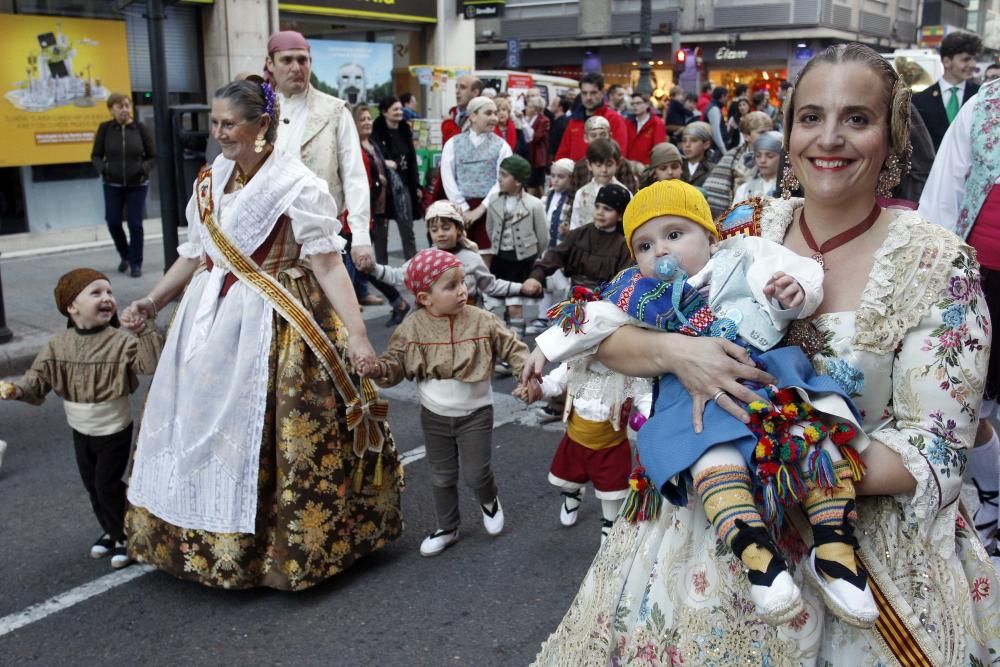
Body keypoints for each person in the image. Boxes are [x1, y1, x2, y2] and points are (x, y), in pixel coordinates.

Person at [530, 43, 999, 664]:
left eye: (856, 119)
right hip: (707, 541)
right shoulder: (746, 222)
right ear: (788, 129)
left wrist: (782, 459)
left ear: (891, 137)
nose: (828, 139)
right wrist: (679, 353)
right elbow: (616, 330)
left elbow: (936, 447)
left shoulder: (935, 262)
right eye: (811, 117)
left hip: (864, 549)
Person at [526, 179, 875, 625]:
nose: (662, 253)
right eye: (646, 246)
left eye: (675, 235)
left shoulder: (742, 254)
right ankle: (759, 561)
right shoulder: (638, 293)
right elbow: (591, 319)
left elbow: (794, 271)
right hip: (690, 395)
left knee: (814, 441)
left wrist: (795, 291)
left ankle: (835, 552)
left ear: (710, 236)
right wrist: (545, 348)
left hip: (764, 373)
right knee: (711, 458)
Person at [122, 78, 402, 590]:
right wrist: (153, 301)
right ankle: (196, 539)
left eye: (230, 124)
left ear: (262, 126)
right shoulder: (210, 181)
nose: (219, 133)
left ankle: (278, 554)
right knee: (193, 422)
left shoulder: (296, 184)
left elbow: (327, 263)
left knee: (281, 433)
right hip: (207, 318)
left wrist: (359, 337)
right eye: (215, 123)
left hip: (277, 318)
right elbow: (194, 254)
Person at [367, 248, 530, 557]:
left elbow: (514, 348)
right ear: (425, 298)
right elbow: (394, 364)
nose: (462, 291)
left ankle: (489, 500)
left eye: (463, 282)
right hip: (435, 416)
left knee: (476, 473)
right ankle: (448, 527)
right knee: (441, 476)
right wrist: (377, 368)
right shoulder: (412, 328)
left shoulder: (483, 320)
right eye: (451, 286)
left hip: (476, 413)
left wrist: (526, 375)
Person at [0, 269, 161, 570]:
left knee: (106, 484)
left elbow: (149, 363)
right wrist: (16, 390)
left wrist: (144, 331)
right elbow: (37, 379)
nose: (107, 298)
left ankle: (124, 535)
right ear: (71, 306)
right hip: (80, 428)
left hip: (114, 427)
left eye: (109, 292)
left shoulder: (120, 342)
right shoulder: (58, 346)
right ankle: (111, 531)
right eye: (96, 292)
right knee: (92, 486)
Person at [919, 79, 1000, 559]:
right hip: (982, 277)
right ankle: (991, 497)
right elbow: (945, 194)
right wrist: (930, 271)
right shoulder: (986, 106)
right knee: (966, 403)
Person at [264, 31, 375, 275]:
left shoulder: (334, 111)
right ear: (270, 64)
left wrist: (360, 236)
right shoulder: (259, 111)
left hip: (322, 239)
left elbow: (354, 176)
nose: (296, 67)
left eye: (302, 60)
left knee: (326, 312)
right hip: (268, 237)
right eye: (287, 60)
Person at [516, 355, 651, 543]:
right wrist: (536, 389)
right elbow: (554, 382)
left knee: (612, 494)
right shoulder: (576, 362)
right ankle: (573, 493)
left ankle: (609, 526)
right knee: (566, 479)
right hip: (576, 439)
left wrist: (651, 417)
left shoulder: (630, 371)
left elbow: (645, 396)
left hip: (611, 446)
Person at [367, 200, 536, 307]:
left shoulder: (472, 258)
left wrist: (521, 287)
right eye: (434, 229)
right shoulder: (424, 258)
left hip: (468, 322)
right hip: (433, 324)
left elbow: (490, 285)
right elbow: (397, 276)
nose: (440, 233)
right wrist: (372, 268)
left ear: (459, 229)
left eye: (446, 228)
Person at [352, 104, 412, 326]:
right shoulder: (354, 146)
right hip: (361, 213)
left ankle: (395, 302)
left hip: (372, 213)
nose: (367, 122)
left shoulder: (371, 145)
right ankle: (395, 301)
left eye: (369, 119)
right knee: (360, 264)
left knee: (360, 264)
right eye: (362, 119)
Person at [522, 182, 632, 296]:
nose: (600, 212)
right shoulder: (579, 234)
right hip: (574, 300)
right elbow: (554, 256)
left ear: (620, 216)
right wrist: (535, 277)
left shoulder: (623, 245)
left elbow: (626, 280)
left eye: (607, 209)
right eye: (597, 206)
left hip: (605, 304)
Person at [91, 93, 156, 278]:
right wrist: (105, 170)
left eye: (127, 106)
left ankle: (136, 263)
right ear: (111, 110)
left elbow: (153, 156)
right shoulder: (105, 129)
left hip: (137, 184)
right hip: (112, 184)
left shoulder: (140, 129)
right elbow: (95, 155)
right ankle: (125, 255)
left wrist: (143, 169)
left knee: (135, 224)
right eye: (120, 107)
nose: (124, 110)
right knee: (113, 222)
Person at [440, 96, 513, 258]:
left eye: (495, 113)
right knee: (459, 260)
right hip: (459, 210)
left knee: (484, 259)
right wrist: (463, 208)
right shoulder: (453, 143)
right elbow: (448, 177)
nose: (494, 118)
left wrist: (480, 209)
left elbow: (502, 181)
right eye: (488, 113)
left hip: (490, 209)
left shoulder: (502, 146)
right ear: (473, 116)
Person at [486, 155, 549, 333]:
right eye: (499, 173)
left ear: (519, 181)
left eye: (504, 175)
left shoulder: (534, 205)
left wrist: (533, 255)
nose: (499, 178)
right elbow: (490, 228)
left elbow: (543, 237)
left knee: (515, 305)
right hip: (501, 260)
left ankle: (517, 343)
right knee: (506, 304)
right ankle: (510, 337)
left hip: (521, 262)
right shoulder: (494, 201)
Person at [912, 30, 983, 150]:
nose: (973, 64)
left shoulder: (981, 96)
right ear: (946, 61)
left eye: (974, 59)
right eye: (966, 59)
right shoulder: (920, 100)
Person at [371, 96, 421, 260]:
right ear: (385, 112)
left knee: (407, 229)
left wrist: (417, 185)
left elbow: (412, 159)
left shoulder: (405, 130)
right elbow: (373, 156)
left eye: (401, 109)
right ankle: (382, 271)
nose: (400, 112)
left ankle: (413, 269)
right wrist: (385, 163)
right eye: (396, 110)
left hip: (403, 185)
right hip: (383, 188)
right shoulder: (375, 130)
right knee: (381, 234)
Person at [703, 110, 774, 217]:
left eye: (770, 132)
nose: (768, 136)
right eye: (762, 133)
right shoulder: (733, 157)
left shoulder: (779, 155)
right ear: (746, 136)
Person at [555, 72, 630, 161]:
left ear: (602, 93)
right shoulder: (574, 120)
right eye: (584, 93)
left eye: (593, 93)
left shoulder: (614, 118)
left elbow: (619, 154)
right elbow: (563, 152)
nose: (588, 97)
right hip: (576, 173)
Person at [570, 138, 624, 230]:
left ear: (617, 164)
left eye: (609, 164)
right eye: (598, 165)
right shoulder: (581, 193)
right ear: (589, 165)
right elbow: (575, 224)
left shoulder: (624, 193)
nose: (604, 170)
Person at [733, 130, 783, 203]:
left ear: (782, 157)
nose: (762, 160)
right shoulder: (744, 190)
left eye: (770, 156)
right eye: (758, 156)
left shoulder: (790, 190)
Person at [442, 75, 484, 145]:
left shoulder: (482, 116)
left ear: (475, 92)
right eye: (456, 87)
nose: (457, 91)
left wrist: (448, 124)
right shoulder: (452, 113)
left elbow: (460, 145)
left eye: (462, 87)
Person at [626, 93, 666, 165]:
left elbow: (658, 147)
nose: (635, 106)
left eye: (638, 103)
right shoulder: (628, 122)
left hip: (647, 166)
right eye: (633, 104)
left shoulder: (656, 123)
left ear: (647, 104)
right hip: (630, 165)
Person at [524, 95, 551, 197]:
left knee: (534, 184)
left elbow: (536, 137)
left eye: (530, 106)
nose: (526, 108)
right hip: (528, 155)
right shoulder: (527, 119)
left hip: (538, 157)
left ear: (536, 109)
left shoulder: (543, 120)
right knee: (536, 184)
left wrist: (524, 124)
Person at [680, 122, 714, 189]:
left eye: (693, 140)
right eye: (684, 141)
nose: (687, 145)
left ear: (706, 144)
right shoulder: (677, 168)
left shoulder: (713, 170)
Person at [548, 96, 572, 160]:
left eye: (554, 104)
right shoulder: (554, 120)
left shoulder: (563, 124)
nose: (551, 105)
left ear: (560, 108)